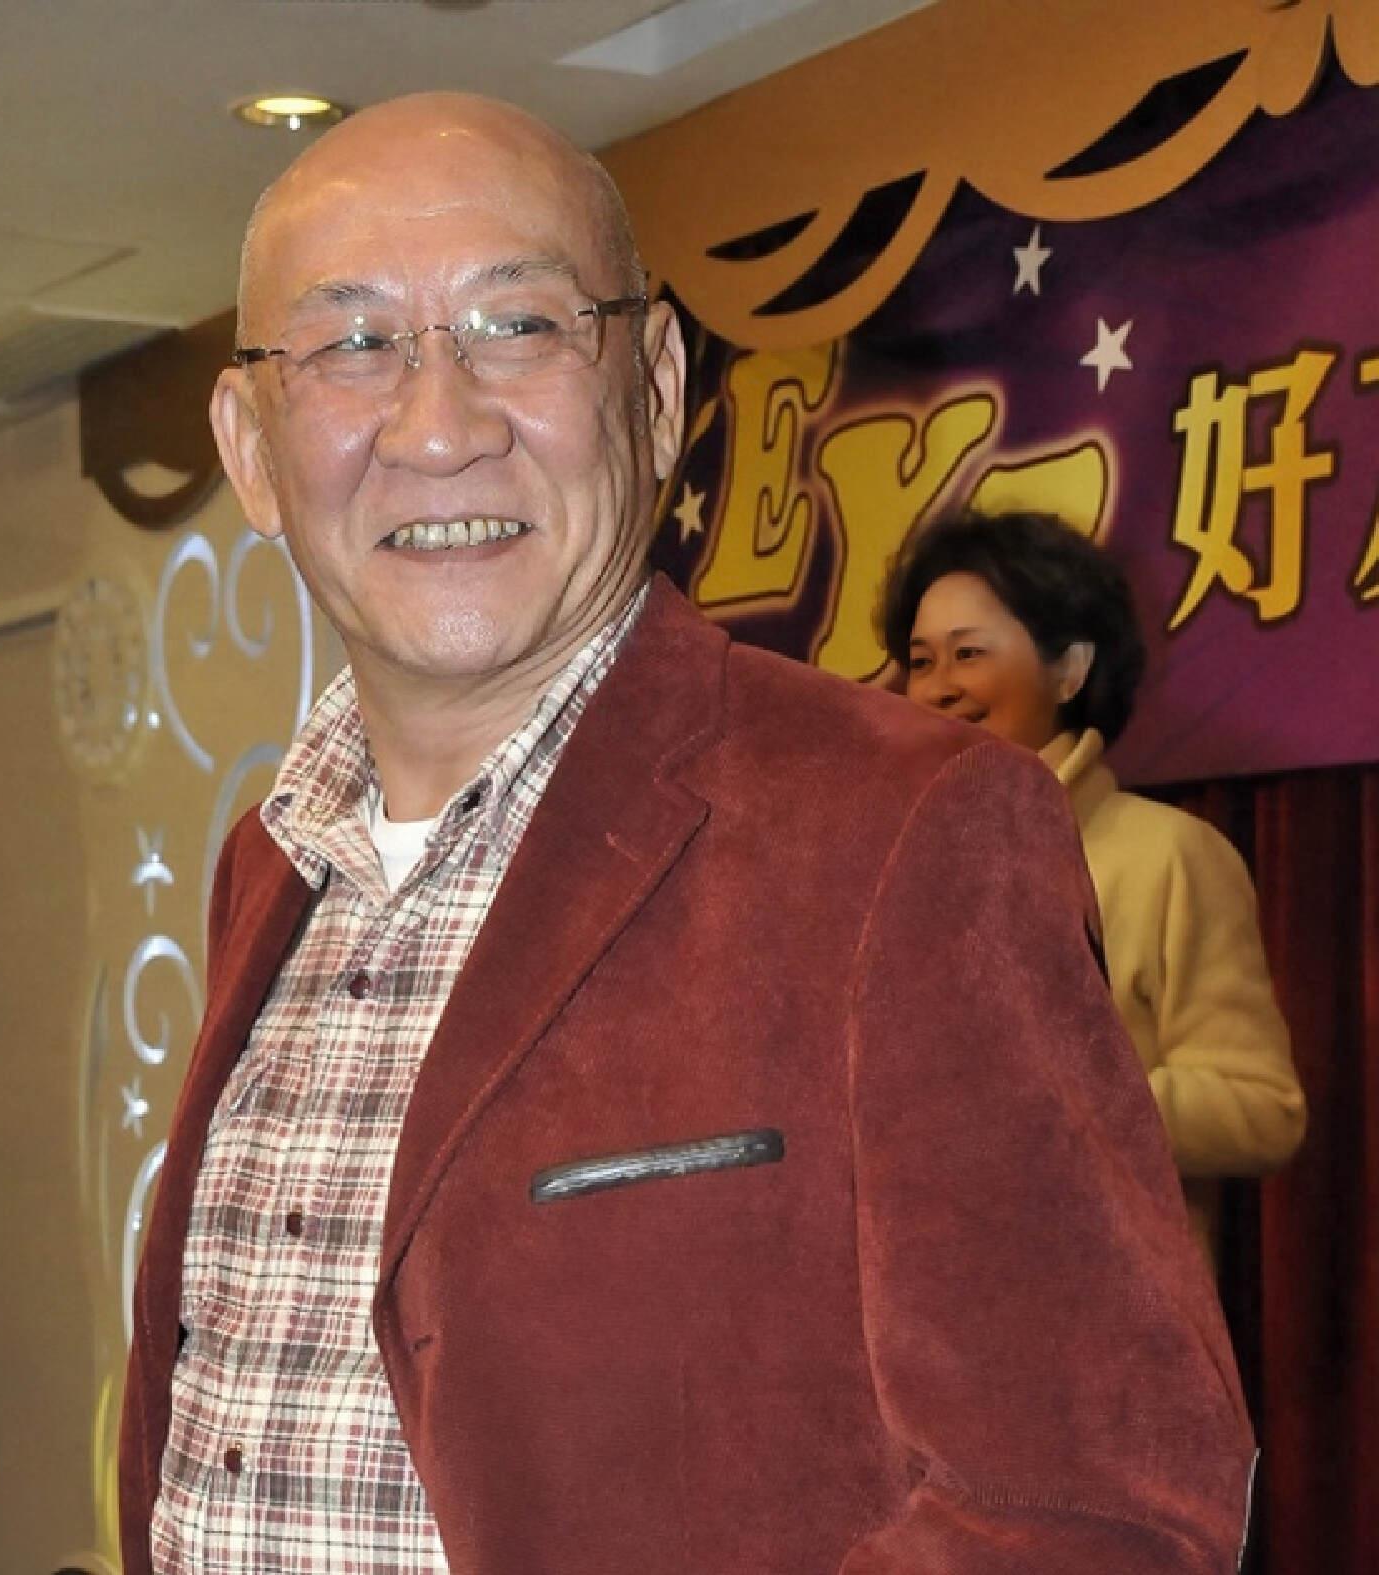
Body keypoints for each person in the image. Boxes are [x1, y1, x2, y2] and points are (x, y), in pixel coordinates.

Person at [119, 92, 1256, 1574]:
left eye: (519, 326)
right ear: (251, 446)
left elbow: (1097, 1511)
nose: (440, 426)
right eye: (351, 344)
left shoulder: (899, 828)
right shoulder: (268, 864)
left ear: (655, 385)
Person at [880, 508, 1307, 1264]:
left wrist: (1069, 1096)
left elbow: (1264, 1109)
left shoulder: (1169, 857)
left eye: (968, 653)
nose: (939, 688)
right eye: (921, 661)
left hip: (1110, 1304)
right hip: (924, 1292)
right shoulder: (894, 866)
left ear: (1071, 669)